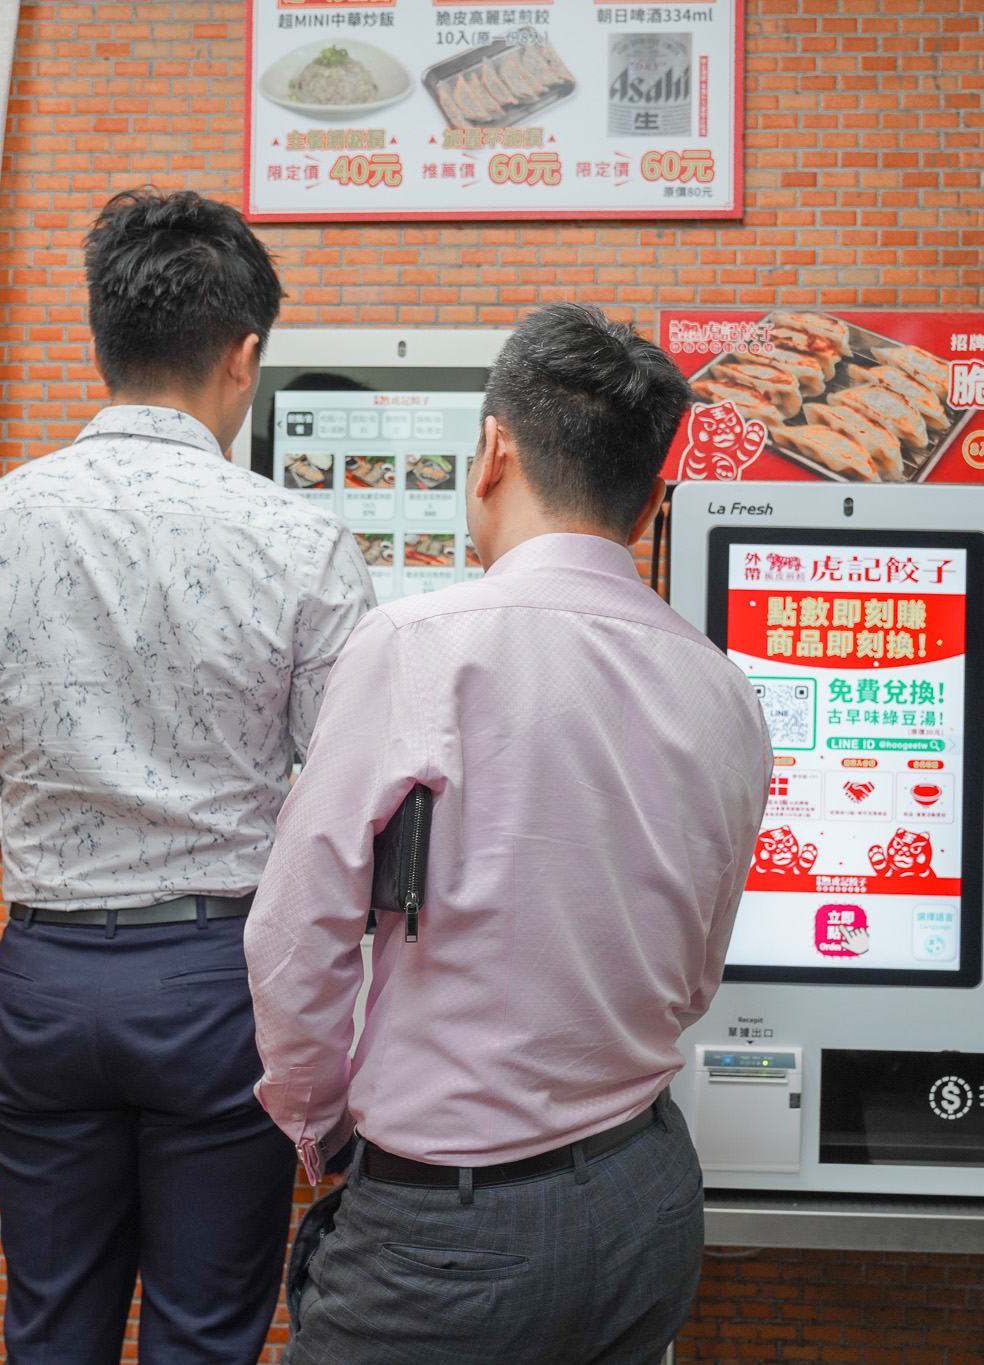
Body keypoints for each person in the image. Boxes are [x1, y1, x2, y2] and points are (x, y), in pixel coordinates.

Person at [245, 303, 772, 1364]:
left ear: (492, 451)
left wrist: (314, 1124)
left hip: (448, 1232)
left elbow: (294, 937)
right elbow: (698, 965)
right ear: (650, 498)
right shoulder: (723, 689)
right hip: (648, 1197)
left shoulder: (414, 646)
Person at [0, 188, 374, 1365]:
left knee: (51, 1322)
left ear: (99, 341)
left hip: (44, 980)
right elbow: (349, 800)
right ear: (244, 353)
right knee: (206, 1332)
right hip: (224, 986)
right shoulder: (297, 543)